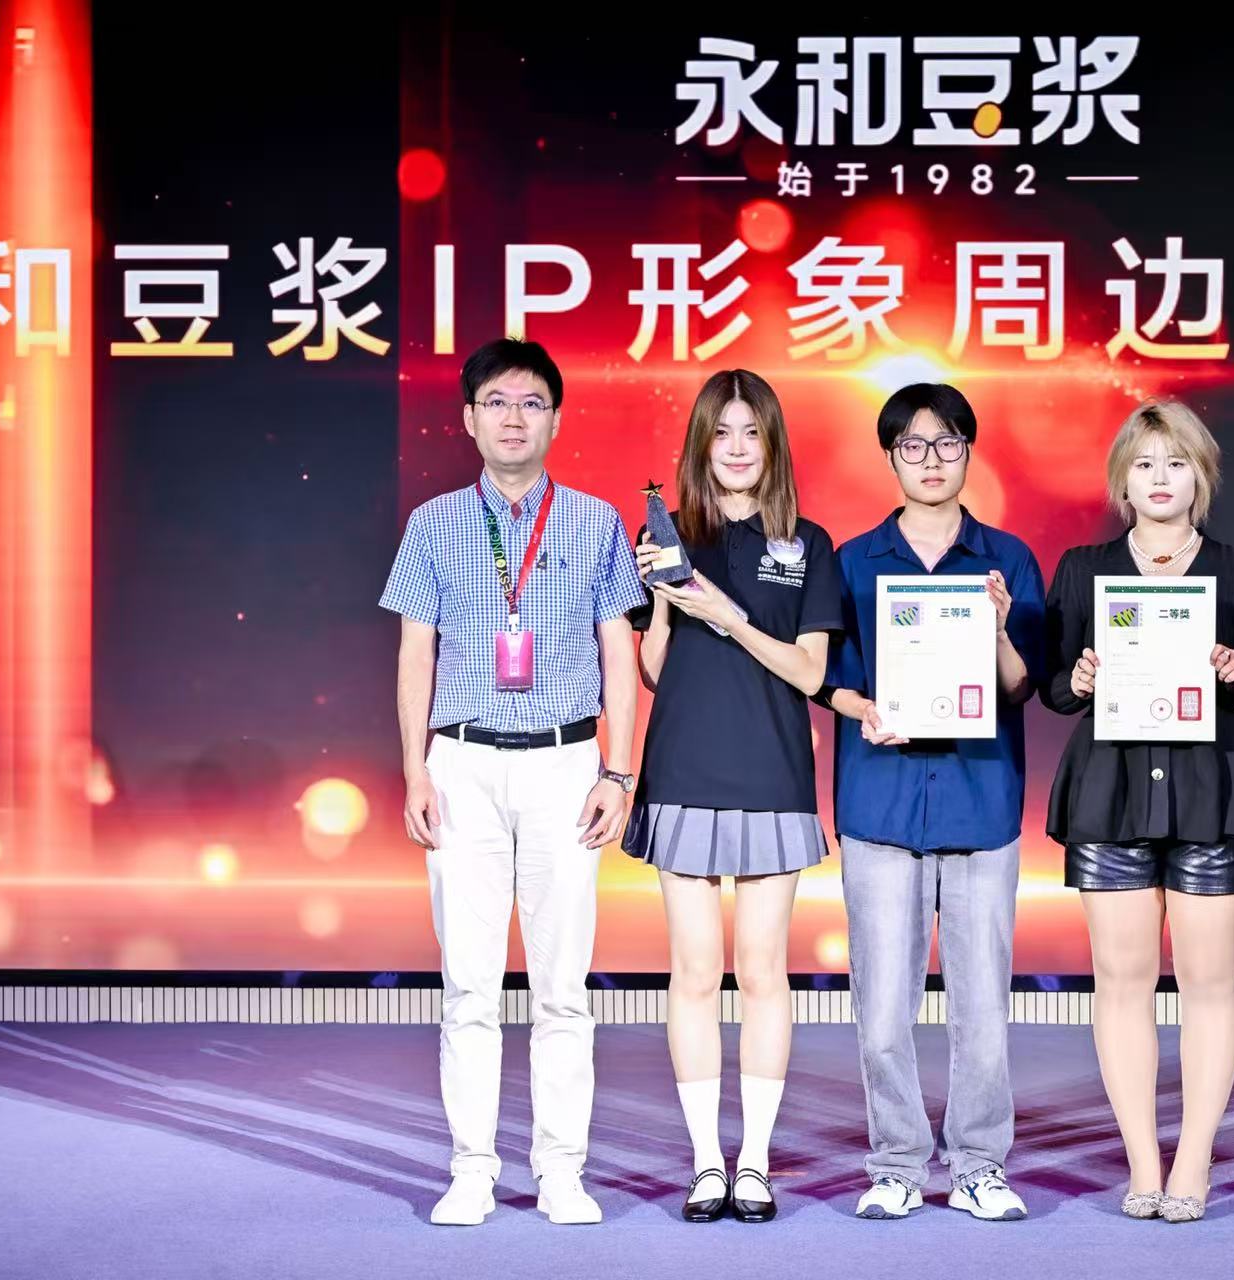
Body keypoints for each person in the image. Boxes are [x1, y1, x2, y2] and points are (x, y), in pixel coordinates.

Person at [379, 336, 645, 1227]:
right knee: (469, 985)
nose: (514, 418)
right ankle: (472, 1170)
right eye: (496, 402)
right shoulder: (433, 525)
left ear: (556, 420)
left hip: (567, 764)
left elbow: (620, 653)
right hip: (461, 765)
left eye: (532, 403)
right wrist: (415, 768)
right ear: (468, 419)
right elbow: (415, 653)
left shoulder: (596, 523)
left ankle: (562, 1172)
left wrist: (618, 770)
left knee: (563, 986)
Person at [1040, 399, 1234, 1224]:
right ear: (1122, 479)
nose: (1159, 479)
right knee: (1121, 981)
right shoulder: (1083, 569)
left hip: (1214, 790)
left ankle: (1194, 1160)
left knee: (1209, 983)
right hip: (1109, 792)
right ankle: (1142, 1162)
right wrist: (1078, 678)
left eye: (1176, 463)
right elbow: (1052, 688)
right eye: (1144, 464)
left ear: (1200, 477)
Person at [815, 383, 1045, 1222]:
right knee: (882, 1011)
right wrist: (866, 709)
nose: (931, 460)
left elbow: (1023, 686)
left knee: (982, 1011)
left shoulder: (1007, 560)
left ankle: (980, 1163)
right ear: (891, 457)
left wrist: (998, 629)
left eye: (947, 443)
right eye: (913, 445)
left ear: (968, 452)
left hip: (980, 803)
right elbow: (830, 680)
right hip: (880, 804)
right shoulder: (852, 562)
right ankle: (898, 1163)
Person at [625, 369, 842, 1224]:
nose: (739, 448)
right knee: (692, 971)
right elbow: (652, 669)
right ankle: (705, 1163)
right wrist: (665, 601)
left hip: (772, 774)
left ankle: (754, 1161)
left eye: (753, 432)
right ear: (700, 444)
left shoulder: (808, 543)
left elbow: (812, 673)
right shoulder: (669, 534)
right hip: (683, 768)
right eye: (723, 432)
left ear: (774, 443)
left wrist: (726, 612)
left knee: (760, 972)